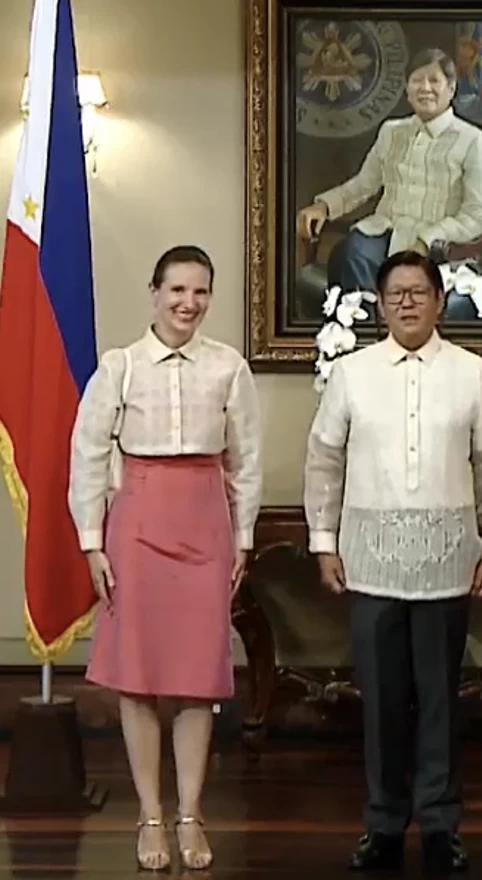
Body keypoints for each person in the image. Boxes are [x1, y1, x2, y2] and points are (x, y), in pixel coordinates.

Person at [303, 250, 482, 874]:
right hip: (370, 562)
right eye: (395, 293)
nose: (407, 303)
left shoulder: (473, 373)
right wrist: (322, 541)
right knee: (383, 701)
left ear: (438, 300)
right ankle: (384, 823)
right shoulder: (352, 373)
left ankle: (443, 825)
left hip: (450, 563)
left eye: (418, 292)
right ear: (380, 302)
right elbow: (323, 460)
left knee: (441, 701)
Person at [68, 245, 262, 872]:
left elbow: (245, 462)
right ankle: (150, 814)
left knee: (196, 680)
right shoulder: (120, 366)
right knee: (141, 679)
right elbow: (89, 456)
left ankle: (190, 814)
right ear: (155, 292)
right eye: (177, 290)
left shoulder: (228, 368)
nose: (189, 303)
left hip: (205, 523)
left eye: (200, 291)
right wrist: (92, 543)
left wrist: (244, 539)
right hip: (138, 526)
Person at [296, 48, 482, 294]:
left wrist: (429, 238)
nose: (425, 88)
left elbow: (477, 214)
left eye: (434, 80)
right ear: (407, 89)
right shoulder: (391, 131)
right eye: (416, 80)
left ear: (451, 88)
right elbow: (363, 185)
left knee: (400, 275)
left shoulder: (474, 140)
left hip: (440, 247)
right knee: (350, 253)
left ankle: (391, 328)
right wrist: (324, 206)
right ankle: (363, 329)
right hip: (385, 232)